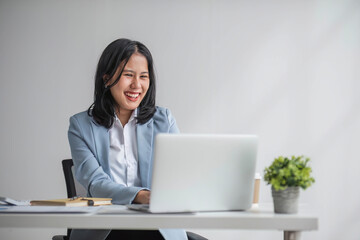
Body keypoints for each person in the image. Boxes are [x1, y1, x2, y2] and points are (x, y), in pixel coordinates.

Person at [68, 39, 203, 240]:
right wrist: (140, 195)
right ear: (106, 78)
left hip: (157, 227)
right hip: (104, 230)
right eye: (128, 75)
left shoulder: (164, 120)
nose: (136, 85)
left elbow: (179, 175)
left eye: (144, 76)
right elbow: (95, 184)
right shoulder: (80, 126)